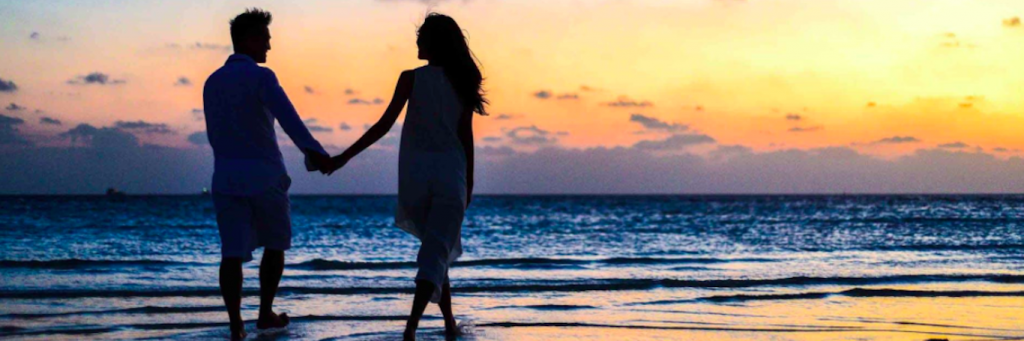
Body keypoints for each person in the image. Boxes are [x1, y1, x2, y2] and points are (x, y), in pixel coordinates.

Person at [326, 13, 486, 341]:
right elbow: (465, 136)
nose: (416, 43)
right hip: (451, 176)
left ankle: (449, 324)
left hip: (416, 179)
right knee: (435, 253)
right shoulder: (461, 80)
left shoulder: (410, 78)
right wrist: (469, 182)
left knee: (435, 251)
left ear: (434, 43)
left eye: (420, 38)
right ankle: (411, 328)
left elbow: (383, 126)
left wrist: (344, 157)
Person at [202, 8, 333, 340]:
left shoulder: (212, 82)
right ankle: (264, 313)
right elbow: (289, 119)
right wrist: (316, 153)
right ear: (248, 39)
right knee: (275, 245)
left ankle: (236, 324)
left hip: (226, 177)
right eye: (265, 39)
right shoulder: (262, 77)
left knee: (231, 253)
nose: (269, 46)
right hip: (265, 175)